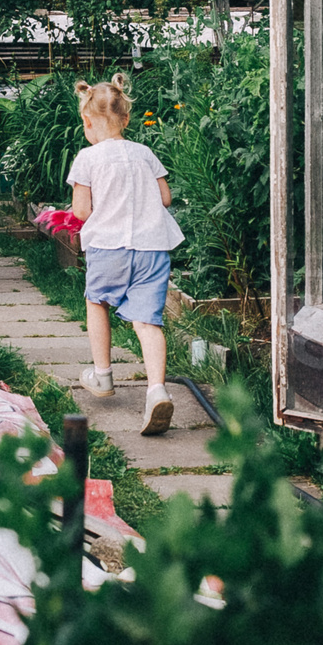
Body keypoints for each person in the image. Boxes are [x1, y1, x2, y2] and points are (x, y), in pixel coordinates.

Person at [67, 73, 185, 433]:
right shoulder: (145, 153)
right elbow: (165, 199)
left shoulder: (87, 158)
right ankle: (156, 390)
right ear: (126, 119)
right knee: (148, 320)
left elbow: (81, 212)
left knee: (96, 301)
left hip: (109, 247)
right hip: (152, 248)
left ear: (87, 121)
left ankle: (102, 375)